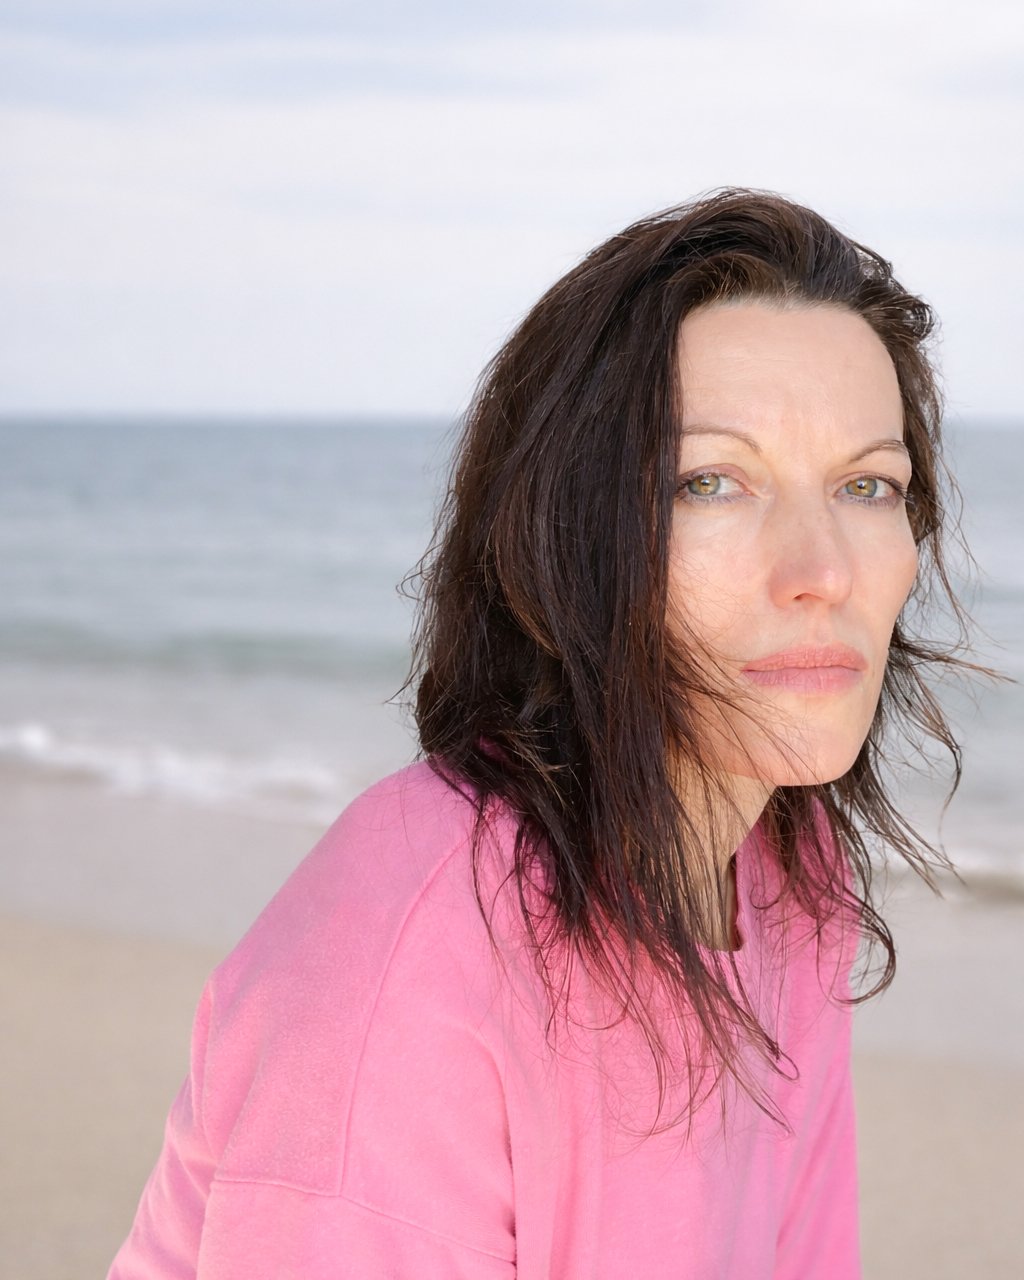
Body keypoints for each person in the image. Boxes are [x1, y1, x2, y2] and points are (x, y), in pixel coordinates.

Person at [109, 188, 974, 1278]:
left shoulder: (790, 879)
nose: (824, 572)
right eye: (709, 482)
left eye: (867, 485)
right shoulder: (415, 959)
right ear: (565, 536)